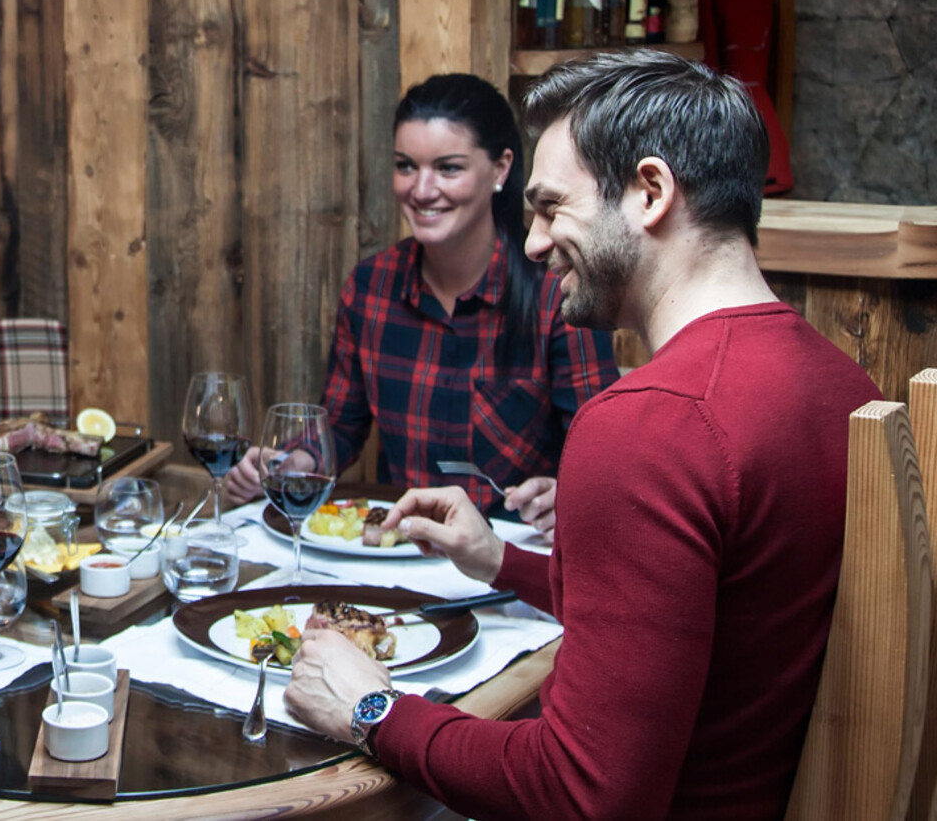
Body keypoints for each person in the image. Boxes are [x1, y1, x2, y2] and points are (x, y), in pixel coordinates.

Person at [283, 50, 882, 820]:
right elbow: (691, 611)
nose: (532, 242)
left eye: (551, 206)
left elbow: (580, 792)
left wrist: (372, 708)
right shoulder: (839, 380)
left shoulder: (648, 422)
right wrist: (502, 560)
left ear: (651, 192)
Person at [225, 74, 620, 532]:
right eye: (406, 166)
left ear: (500, 168)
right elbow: (341, 428)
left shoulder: (556, 292)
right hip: (398, 547)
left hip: (510, 557)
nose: (422, 189)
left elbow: (602, 457)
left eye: (448, 168)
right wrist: (287, 464)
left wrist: (565, 493)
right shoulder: (371, 287)